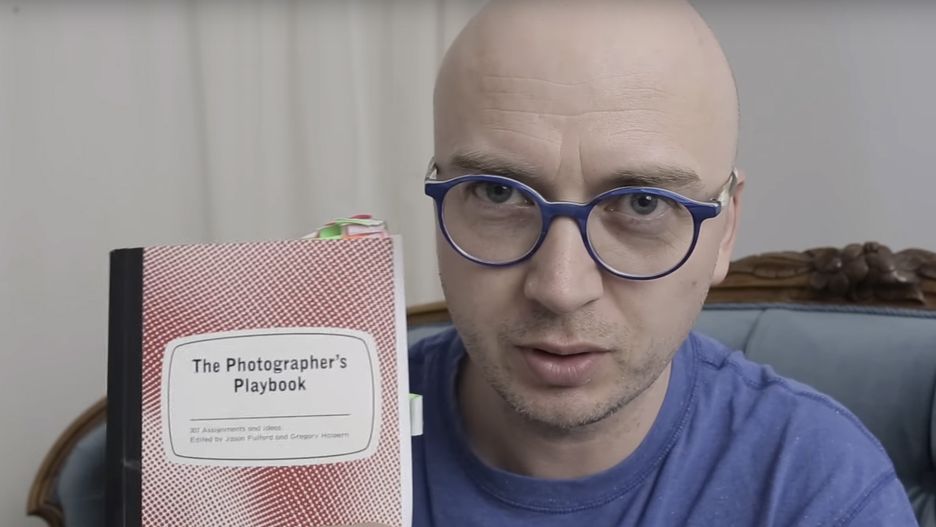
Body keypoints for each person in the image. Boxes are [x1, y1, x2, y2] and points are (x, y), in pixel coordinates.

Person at [408, 0, 918, 525]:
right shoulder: (354, 427)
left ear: (725, 230)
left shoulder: (821, 492)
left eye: (642, 204)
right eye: (498, 193)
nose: (561, 287)